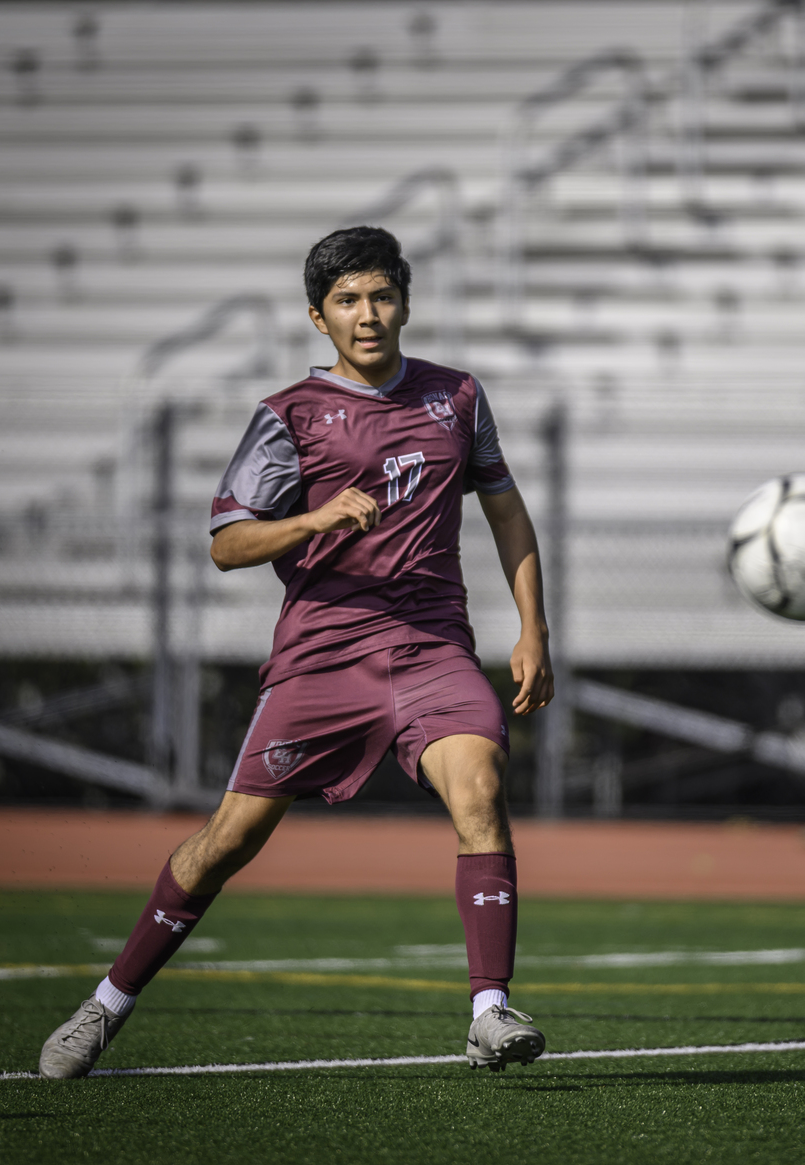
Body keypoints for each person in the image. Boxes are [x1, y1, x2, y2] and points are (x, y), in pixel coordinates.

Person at [39, 226, 554, 1078]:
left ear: (405, 304)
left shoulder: (458, 397)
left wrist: (534, 626)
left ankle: (489, 1010)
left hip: (432, 649)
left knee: (482, 788)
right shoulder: (290, 416)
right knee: (228, 840)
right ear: (318, 318)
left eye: (382, 296)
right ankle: (105, 1005)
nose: (368, 314)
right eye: (347, 301)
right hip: (321, 659)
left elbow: (505, 508)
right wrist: (315, 519)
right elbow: (227, 544)